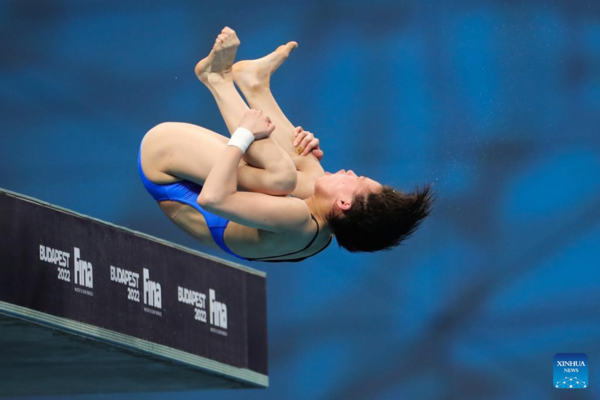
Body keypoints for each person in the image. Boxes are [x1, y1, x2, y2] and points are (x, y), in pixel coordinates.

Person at [139, 27, 434, 262]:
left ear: (345, 204)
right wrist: (299, 157)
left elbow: (212, 200)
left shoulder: (296, 219)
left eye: (356, 180)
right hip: (197, 183)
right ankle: (255, 84)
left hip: (165, 164)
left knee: (282, 176)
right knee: (307, 175)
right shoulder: (322, 232)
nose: (350, 171)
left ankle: (217, 78)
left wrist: (244, 135)